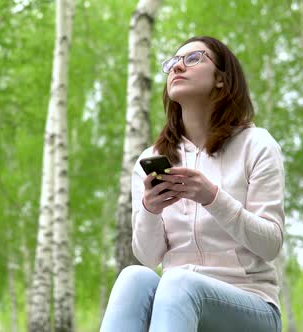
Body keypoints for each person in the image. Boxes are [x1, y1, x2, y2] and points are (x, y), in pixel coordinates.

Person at [100, 36, 284, 332]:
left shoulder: (257, 144)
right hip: (177, 303)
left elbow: (270, 244)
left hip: (251, 305)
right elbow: (148, 257)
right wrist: (150, 209)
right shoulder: (151, 159)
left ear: (221, 79)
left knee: (178, 281)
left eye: (193, 58)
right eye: (172, 62)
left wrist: (212, 197)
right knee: (133, 277)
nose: (177, 67)